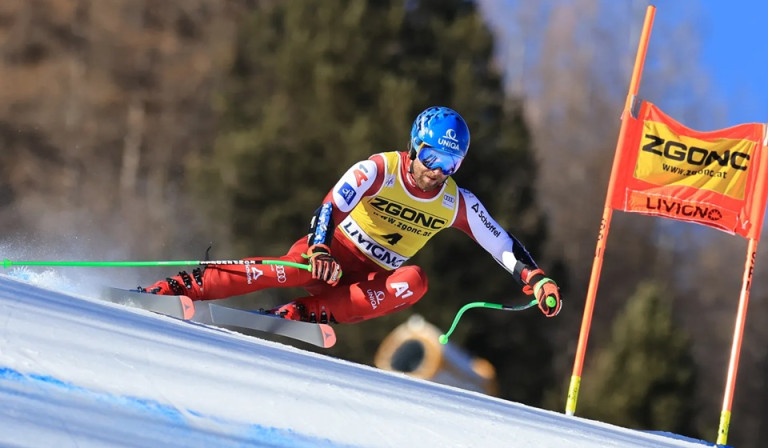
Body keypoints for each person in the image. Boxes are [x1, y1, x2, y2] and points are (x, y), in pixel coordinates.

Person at [139, 106, 562, 324]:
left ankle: (298, 318)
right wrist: (320, 248)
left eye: (450, 163)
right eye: (432, 156)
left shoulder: (457, 202)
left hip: (371, 277)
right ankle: (179, 286)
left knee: (414, 283)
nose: (437, 171)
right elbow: (330, 205)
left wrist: (537, 279)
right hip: (333, 252)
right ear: (416, 146)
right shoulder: (380, 169)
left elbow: (502, 245)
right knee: (296, 269)